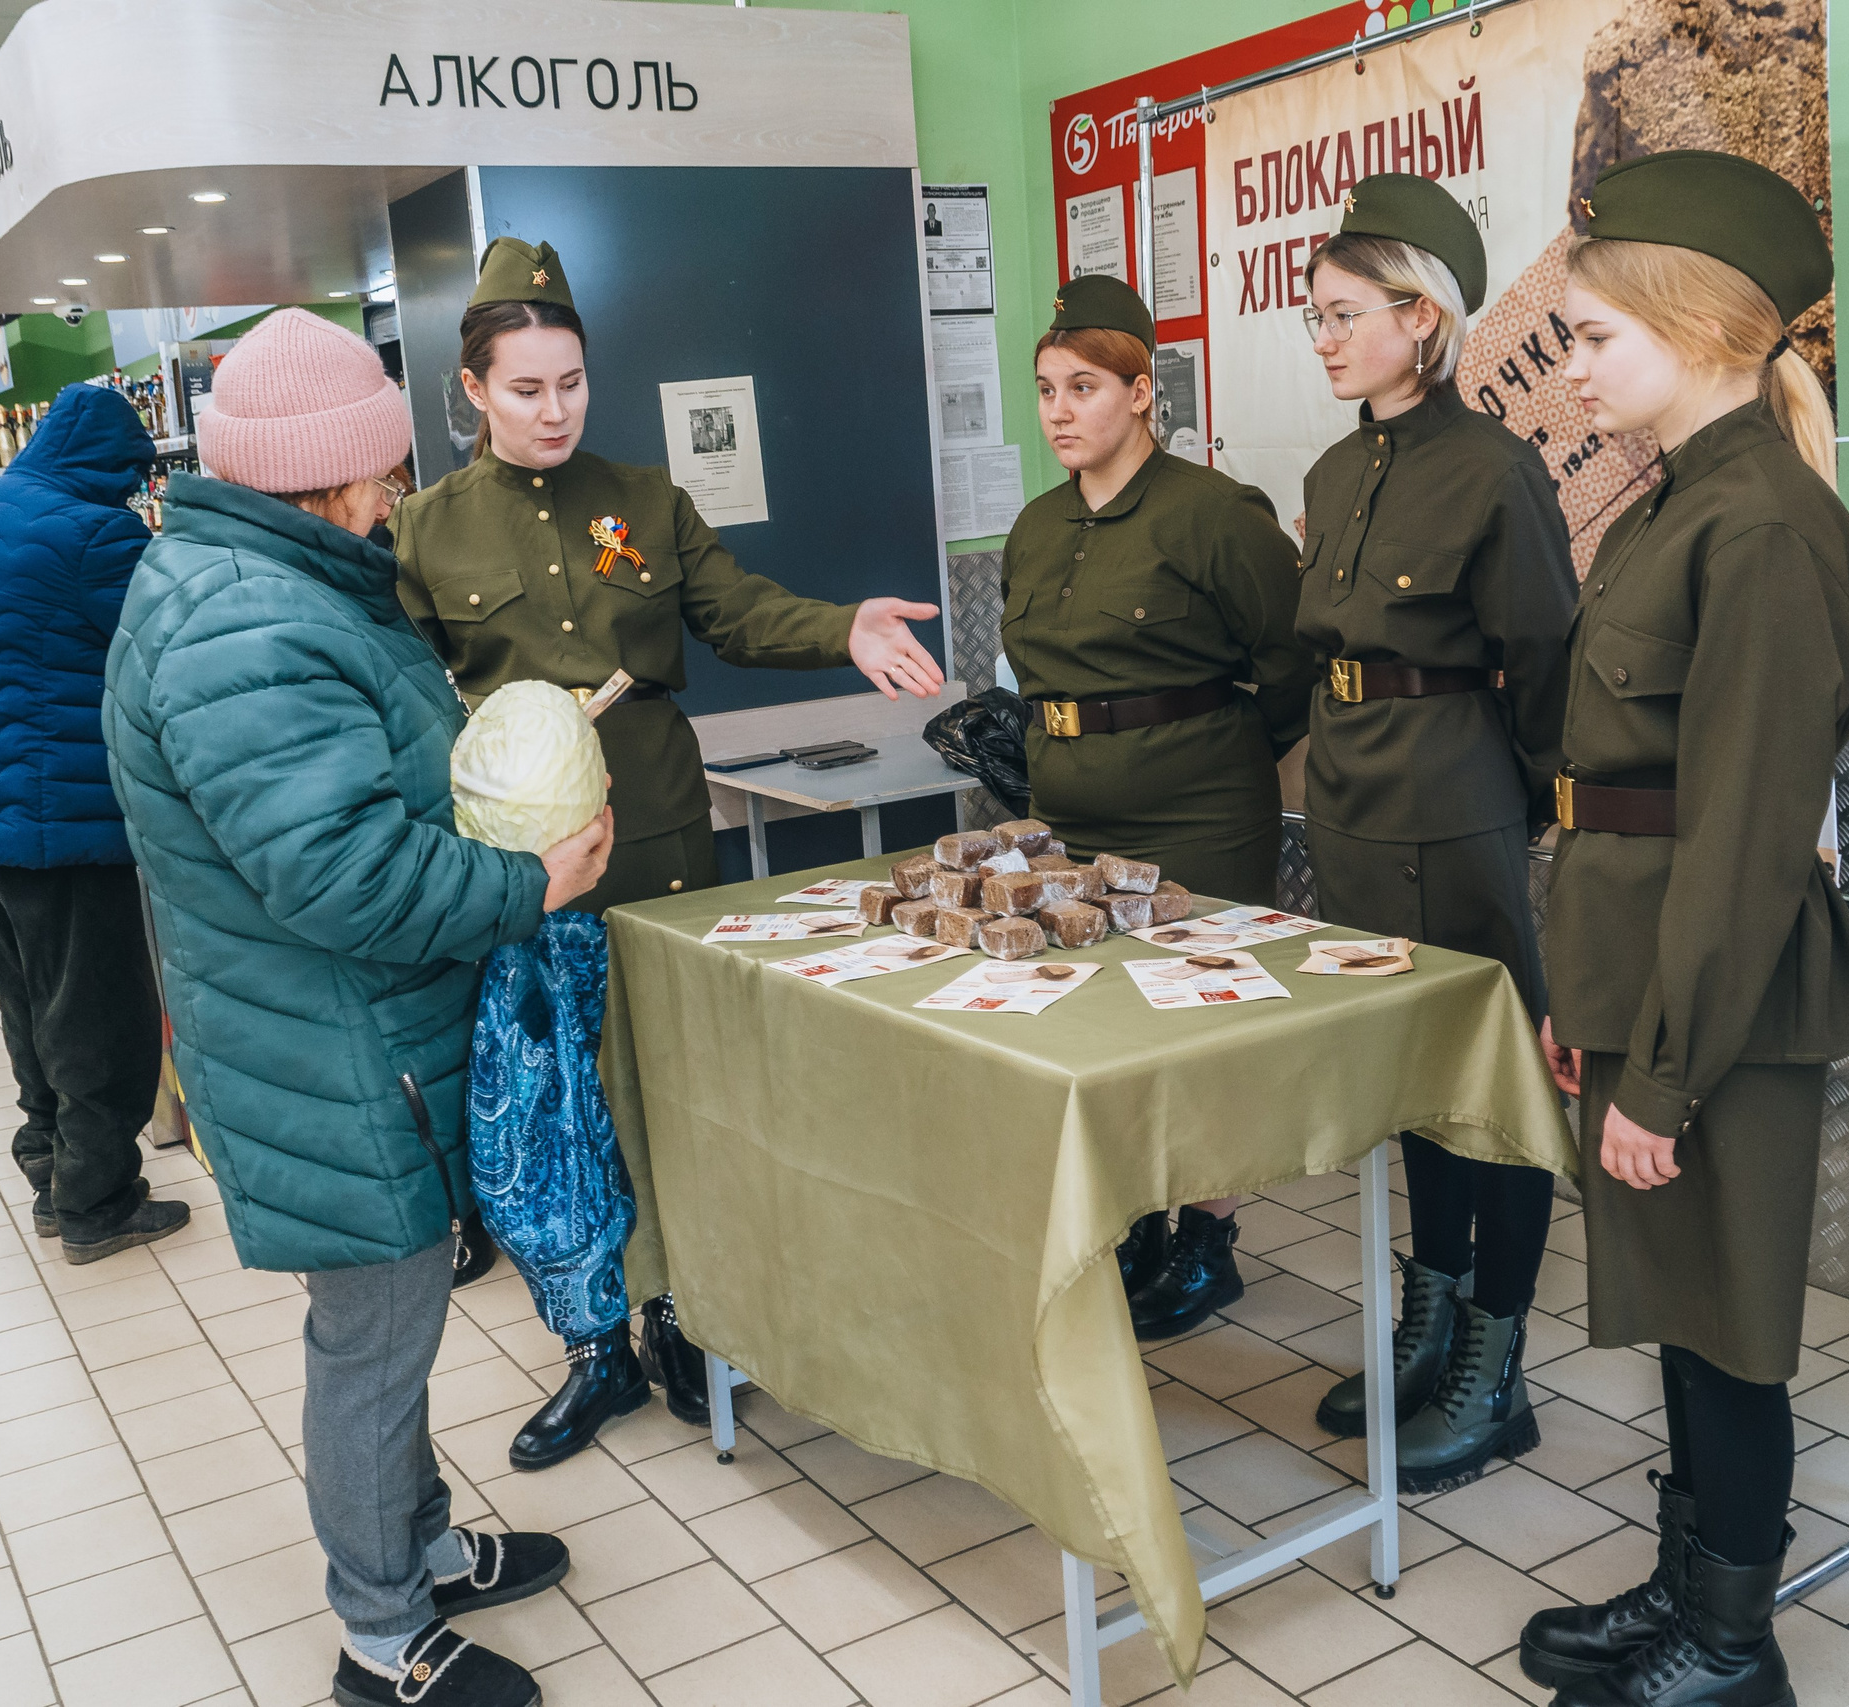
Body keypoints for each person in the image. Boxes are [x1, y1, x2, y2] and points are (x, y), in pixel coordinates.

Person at [104, 308, 606, 1707]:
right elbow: (343, 871)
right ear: (322, 473)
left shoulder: (265, 581)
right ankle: (385, 1635)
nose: (392, 498)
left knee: (394, 1329)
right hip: (334, 1048)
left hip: (340, 1031)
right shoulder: (246, 620)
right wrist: (527, 878)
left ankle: (422, 1539)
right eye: (378, 472)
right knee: (375, 1337)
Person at [391, 238, 945, 1466]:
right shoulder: (424, 533)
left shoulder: (642, 501)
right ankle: (595, 1349)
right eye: (526, 389)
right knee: (565, 1111)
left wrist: (841, 625)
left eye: (572, 383)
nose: (553, 410)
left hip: (664, 850)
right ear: (474, 389)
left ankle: (684, 1314)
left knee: (678, 1091)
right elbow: (413, 708)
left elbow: (739, 609)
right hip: (533, 880)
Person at [1514, 152, 1849, 1707]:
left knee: (1731, 1322)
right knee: (1683, 1303)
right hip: (1651, 974)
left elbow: (1740, 838)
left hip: (1718, 997)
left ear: (1704, 329)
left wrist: (1662, 1072)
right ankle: (1687, 1581)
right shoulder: (1685, 503)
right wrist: (1590, 1002)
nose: (1573, 365)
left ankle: (1735, 1642)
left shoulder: (1765, 528)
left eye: (1597, 336)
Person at [1288, 176, 1579, 1494]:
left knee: (1489, 1096)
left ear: (1423, 317)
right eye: (1314, 317)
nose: (1326, 337)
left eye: (1346, 313)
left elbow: (1550, 669)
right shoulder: (1337, 468)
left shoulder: (1495, 470)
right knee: (1413, 1089)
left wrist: (1511, 811)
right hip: (1349, 802)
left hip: (1456, 807)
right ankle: (1434, 1314)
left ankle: (1494, 1363)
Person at [997, 275, 1311, 1341]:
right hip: (1070, 820)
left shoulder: (1213, 514)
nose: (1059, 411)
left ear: (1141, 392)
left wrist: (1216, 758)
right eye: (1045, 389)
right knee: (1101, 1025)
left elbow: (1288, 663)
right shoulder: (1038, 527)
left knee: (1197, 1031)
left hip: (1199, 815)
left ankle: (1208, 1237)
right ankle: (1134, 1222)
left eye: (1083, 387)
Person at [0, 381, 185, 1266]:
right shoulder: (97, 532)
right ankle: (98, 1200)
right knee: (97, 1012)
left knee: (26, 995)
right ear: (113, 466)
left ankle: (49, 1170)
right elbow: (156, 646)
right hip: (60, 812)